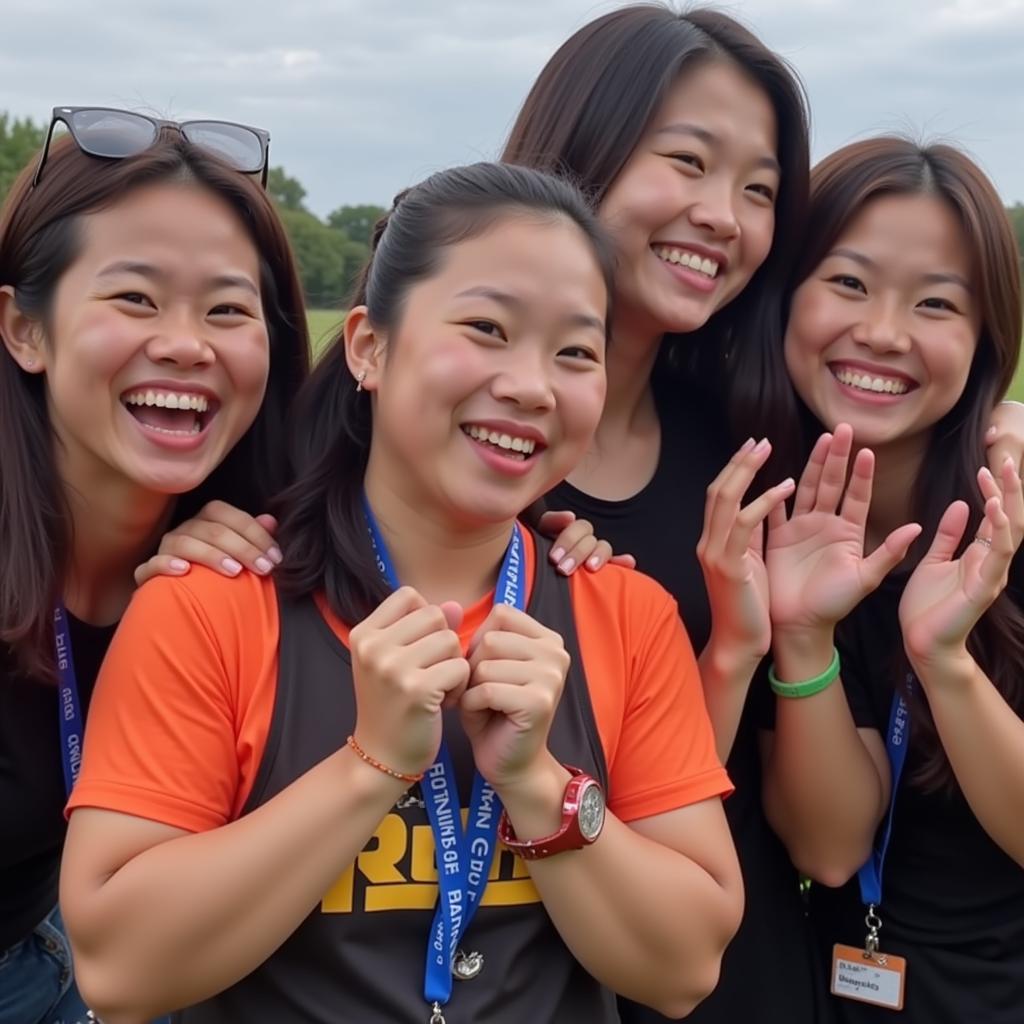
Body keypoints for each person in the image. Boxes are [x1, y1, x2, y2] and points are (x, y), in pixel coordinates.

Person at [59, 161, 742, 1023]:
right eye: (488, 328)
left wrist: (539, 787)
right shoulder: (215, 601)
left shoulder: (627, 614)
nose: (532, 386)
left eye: (575, 351)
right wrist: (369, 766)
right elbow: (119, 970)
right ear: (368, 347)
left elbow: (684, 968)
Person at [501, 7, 824, 1021]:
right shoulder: (428, 428)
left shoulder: (750, 442)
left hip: (722, 964)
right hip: (499, 967)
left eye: (759, 190)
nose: (725, 214)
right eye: (687, 160)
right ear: (581, 151)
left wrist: (1002, 424)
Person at [0, 108, 309, 1024]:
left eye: (227, 308)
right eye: (134, 299)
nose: (187, 343)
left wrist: (558, 544)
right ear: (24, 330)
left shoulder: (242, 553)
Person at [760, 137, 1024, 1023]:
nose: (882, 331)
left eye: (936, 303)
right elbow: (830, 850)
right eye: (847, 282)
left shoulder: (1012, 522)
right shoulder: (750, 515)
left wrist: (943, 661)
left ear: (987, 339)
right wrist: (802, 635)